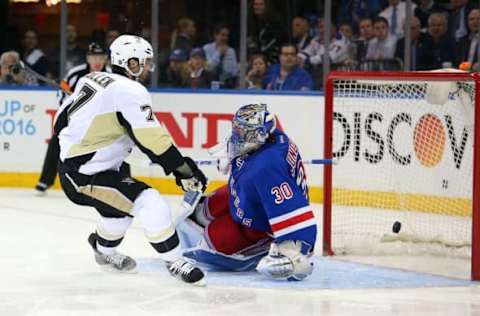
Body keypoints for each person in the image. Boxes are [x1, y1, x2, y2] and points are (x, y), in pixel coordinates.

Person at [54, 34, 207, 285]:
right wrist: (184, 170)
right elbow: (152, 142)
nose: (147, 68)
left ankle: (103, 251)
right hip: (86, 174)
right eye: (144, 62)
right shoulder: (131, 90)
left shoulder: (90, 78)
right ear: (130, 63)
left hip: (81, 167)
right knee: (150, 202)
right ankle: (175, 261)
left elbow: (60, 121)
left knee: (119, 214)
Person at [177, 103, 317, 281]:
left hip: (260, 220)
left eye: (242, 132)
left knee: (214, 240)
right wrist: (231, 155)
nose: (236, 135)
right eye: (237, 129)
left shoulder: (267, 168)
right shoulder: (271, 136)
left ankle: (263, 244)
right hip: (250, 194)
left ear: (258, 134)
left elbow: (292, 212)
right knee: (204, 210)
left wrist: (296, 256)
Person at [35, 42, 111, 196]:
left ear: (106, 59)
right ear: (87, 58)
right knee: (57, 139)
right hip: (75, 119)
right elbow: (62, 93)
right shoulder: (75, 73)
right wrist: (74, 108)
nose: (97, 61)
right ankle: (45, 180)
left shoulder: (112, 76)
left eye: (101, 57)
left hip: (100, 121)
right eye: (93, 56)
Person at [203, 24, 239, 89]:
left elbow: (234, 72)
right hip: (208, 85)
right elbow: (208, 68)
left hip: (226, 85)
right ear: (215, 35)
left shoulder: (231, 51)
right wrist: (218, 53)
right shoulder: (207, 48)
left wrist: (226, 57)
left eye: (227, 36)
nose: (225, 38)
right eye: (222, 35)